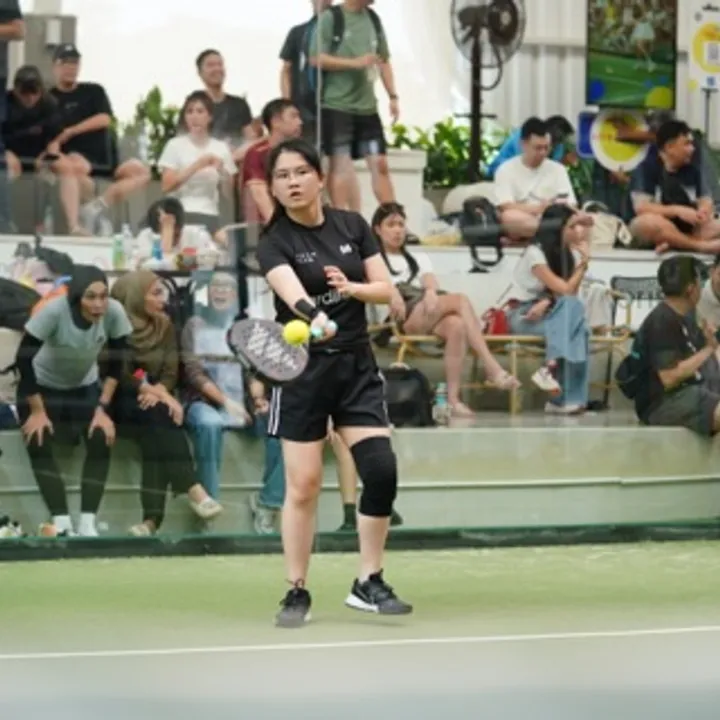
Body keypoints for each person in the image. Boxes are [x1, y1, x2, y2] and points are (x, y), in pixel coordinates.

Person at [257, 137, 412, 627]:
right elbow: (291, 291)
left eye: (301, 172)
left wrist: (352, 289)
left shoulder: (352, 226)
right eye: (282, 176)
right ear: (274, 188)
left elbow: (386, 289)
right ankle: (296, 589)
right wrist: (313, 315)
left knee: (381, 471)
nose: (293, 182)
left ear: (320, 178)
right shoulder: (273, 241)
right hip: (301, 371)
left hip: (355, 368)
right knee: (303, 487)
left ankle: (369, 580)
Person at [14, 265, 131, 536]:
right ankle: (61, 521)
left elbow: (118, 364)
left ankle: (88, 523)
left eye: (103, 296)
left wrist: (101, 409)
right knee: (38, 437)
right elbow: (23, 359)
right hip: (40, 386)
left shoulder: (114, 312)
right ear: (77, 297)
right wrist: (37, 411)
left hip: (83, 388)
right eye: (91, 297)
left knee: (101, 436)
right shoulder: (55, 311)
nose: (98, 304)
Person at [374, 202, 519, 417]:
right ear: (378, 229)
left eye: (401, 225)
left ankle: (453, 400)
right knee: (460, 300)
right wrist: (394, 293)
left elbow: (430, 280)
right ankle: (492, 367)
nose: (397, 230)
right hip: (399, 318)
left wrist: (431, 291)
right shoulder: (373, 260)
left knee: (456, 325)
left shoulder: (418, 258)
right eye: (391, 225)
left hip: (424, 310)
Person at [110, 270, 223, 536]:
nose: (163, 299)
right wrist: (154, 391)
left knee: (157, 429)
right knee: (160, 415)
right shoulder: (116, 325)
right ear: (136, 297)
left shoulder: (165, 326)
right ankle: (192, 488)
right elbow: (124, 371)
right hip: (122, 400)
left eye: (163, 292)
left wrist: (160, 391)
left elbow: (170, 371)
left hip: (154, 403)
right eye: (155, 293)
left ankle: (151, 522)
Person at [49, 44, 150, 236]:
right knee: (78, 172)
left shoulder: (94, 91)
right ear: (55, 66)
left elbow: (104, 118)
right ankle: (86, 221)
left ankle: (97, 207)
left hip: (106, 160)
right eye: (65, 63)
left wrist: (72, 131)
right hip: (77, 159)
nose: (71, 67)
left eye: (74, 63)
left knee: (141, 172)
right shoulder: (50, 98)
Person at [505, 204, 594, 414]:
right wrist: (584, 263)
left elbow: (567, 297)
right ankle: (561, 393)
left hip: (551, 314)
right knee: (576, 328)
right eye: (572, 226)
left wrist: (549, 301)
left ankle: (555, 386)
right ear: (558, 228)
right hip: (523, 315)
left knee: (579, 328)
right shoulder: (534, 253)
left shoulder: (567, 254)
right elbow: (565, 290)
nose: (578, 231)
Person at [311, 0, 398, 211]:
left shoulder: (374, 19)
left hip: (367, 108)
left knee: (380, 164)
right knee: (340, 165)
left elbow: (384, 60)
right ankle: (341, 218)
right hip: (337, 106)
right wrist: (355, 63)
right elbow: (316, 58)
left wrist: (393, 96)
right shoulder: (331, 18)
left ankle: (392, 216)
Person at [631, 255, 720, 435]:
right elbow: (669, 377)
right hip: (662, 403)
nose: (702, 286)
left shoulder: (683, 316)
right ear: (690, 289)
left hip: (690, 391)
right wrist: (709, 349)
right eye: (699, 281)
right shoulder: (662, 322)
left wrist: (707, 342)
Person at [629, 120, 720, 254]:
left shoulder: (693, 171)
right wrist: (678, 211)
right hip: (657, 226)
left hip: (688, 229)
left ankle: (675, 243)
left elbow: (705, 200)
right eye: (687, 144)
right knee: (648, 223)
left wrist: (703, 211)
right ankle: (699, 246)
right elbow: (642, 208)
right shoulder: (646, 169)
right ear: (670, 147)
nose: (692, 149)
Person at [158, 91, 237, 238]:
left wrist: (222, 170)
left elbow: (229, 194)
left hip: (210, 214)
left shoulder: (220, 148)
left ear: (209, 117)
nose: (194, 117)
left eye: (200, 111)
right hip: (180, 213)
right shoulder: (174, 145)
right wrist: (197, 165)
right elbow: (166, 185)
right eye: (189, 112)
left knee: (225, 242)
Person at [494, 117, 578, 242]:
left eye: (546, 148)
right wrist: (539, 209)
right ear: (523, 144)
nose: (543, 153)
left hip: (553, 219)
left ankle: (543, 235)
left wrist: (554, 208)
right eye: (538, 148)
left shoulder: (558, 169)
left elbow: (571, 203)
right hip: (526, 218)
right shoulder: (505, 169)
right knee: (509, 217)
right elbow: (505, 206)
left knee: (583, 222)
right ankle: (555, 235)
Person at [279, 0, 334, 146]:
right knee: (305, 149)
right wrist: (287, 104)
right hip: (302, 106)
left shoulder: (338, 31)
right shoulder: (298, 32)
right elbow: (286, 70)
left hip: (333, 105)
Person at [242, 98, 303, 224]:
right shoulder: (257, 154)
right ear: (276, 122)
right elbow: (259, 194)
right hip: (265, 226)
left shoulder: (301, 152)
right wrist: (277, 227)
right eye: (293, 116)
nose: (300, 122)